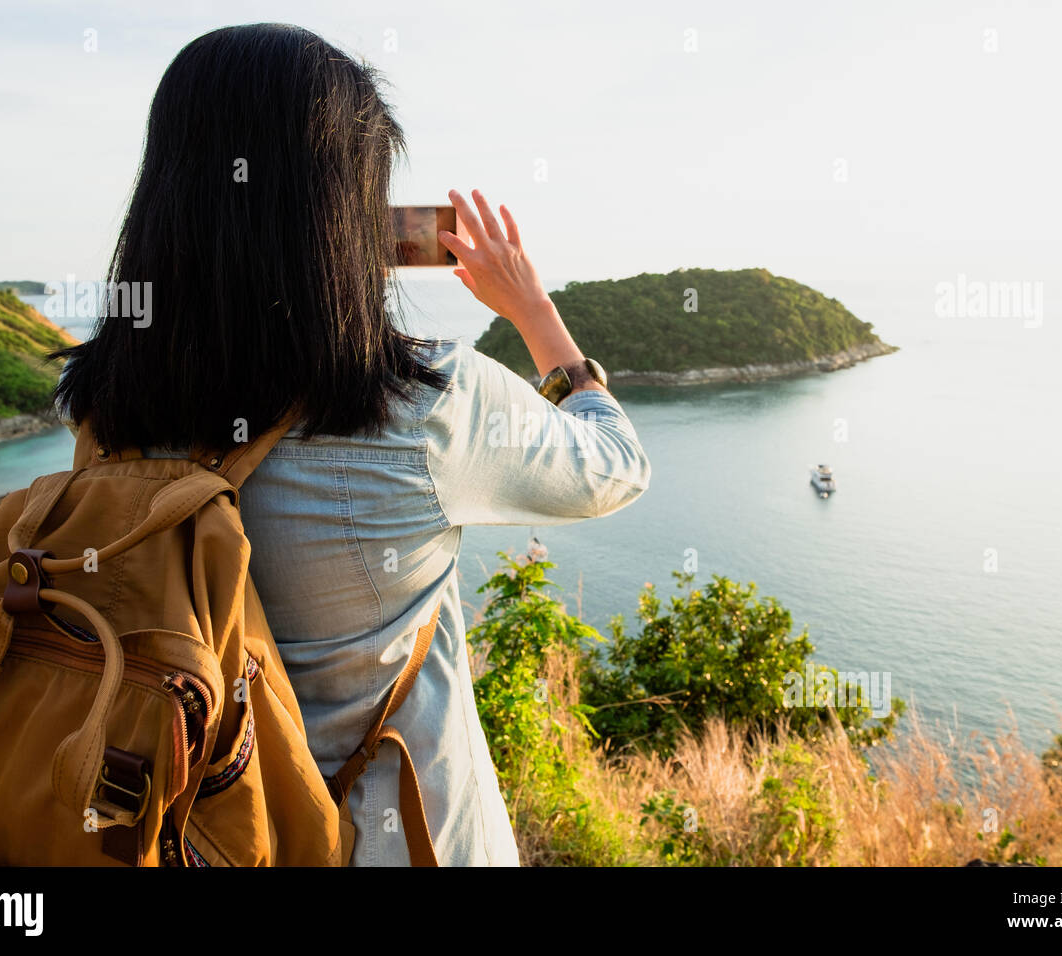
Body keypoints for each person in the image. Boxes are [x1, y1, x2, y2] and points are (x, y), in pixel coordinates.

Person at [54, 23, 651, 866]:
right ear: (345, 209)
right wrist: (533, 312)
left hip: (189, 837)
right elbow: (615, 467)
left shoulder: (100, 408)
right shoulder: (420, 402)